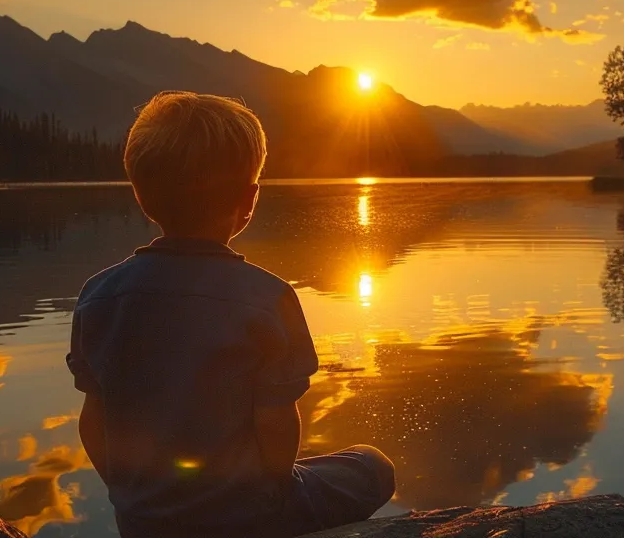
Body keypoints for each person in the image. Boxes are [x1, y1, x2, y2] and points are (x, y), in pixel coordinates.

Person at [67, 91, 397, 538]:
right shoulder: (266, 299)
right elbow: (276, 423)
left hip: (143, 520)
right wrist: (276, 493)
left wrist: (133, 500)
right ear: (249, 199)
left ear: (141, 195)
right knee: (372, 466)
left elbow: (94, 421)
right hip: (249, 516)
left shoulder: (98, 297)